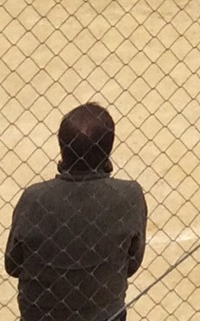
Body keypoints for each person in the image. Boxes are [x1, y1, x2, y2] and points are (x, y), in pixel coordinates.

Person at [5, 103, 148, 321]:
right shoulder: (129, 196)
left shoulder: (34, 199)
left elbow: (13, 265)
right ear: (107, 151)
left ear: (62, 148)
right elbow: (132, 265)